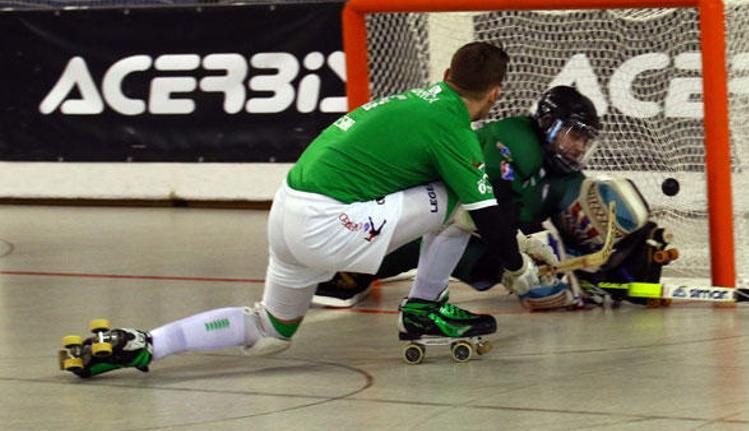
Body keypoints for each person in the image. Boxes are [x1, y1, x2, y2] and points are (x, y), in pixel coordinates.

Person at [58, 42, 558, 378]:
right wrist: (519, 271)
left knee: (271, 332)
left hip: (286, 211)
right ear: (495, 94)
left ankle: (144, 343)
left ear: (447, 74)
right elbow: (487, 216)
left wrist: (507, 244)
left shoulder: (418, 101)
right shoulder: (450, 128)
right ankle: (424, 310)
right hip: (325, 222)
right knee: (462, 203)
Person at [313, 86, 674, 310]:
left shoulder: (561, 174)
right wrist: (522, 266)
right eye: (574, 135)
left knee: (487, 261)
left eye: (585, 139)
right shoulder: (514, 139)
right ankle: (347, 269)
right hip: (439, 211)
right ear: (548, 124)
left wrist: (612, 266)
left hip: (481, 228)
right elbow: (492, 205)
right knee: (440, 236)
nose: (580, 146)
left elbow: (574, 223)